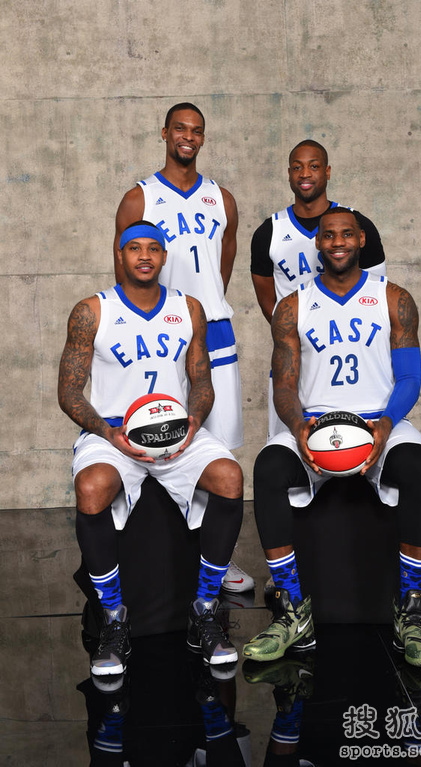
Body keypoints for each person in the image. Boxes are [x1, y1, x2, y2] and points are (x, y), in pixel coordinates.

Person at [243, 207, 421, 669]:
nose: (337, 243)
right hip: (317, 426)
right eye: (329, 235)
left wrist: (386, 425)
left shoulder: (393, 298)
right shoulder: (291, 306)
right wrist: (298, 427)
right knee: (268, 468)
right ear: (317, 243)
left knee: (415, 464)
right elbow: (284, 386)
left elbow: (409, 378)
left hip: (377, 421)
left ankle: (412, 610)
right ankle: (293, 610)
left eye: (347, 234)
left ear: (361, 240)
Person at [58, 221, 244, 675]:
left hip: (176, 430)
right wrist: (108, 433)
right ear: (120, 254)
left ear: (164, 256)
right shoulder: (92, 311)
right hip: (115, 432)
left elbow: (202, 380)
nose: (144, 256)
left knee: (230, 477)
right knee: (91, 488)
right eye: (134, 248)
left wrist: (194, 422)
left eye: (154, 249)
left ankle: (204, 610)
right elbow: (69, 391)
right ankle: (114, 617)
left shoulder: (189, 307)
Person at [114, 102, 253, 593]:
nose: (187, 137)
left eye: (196, 130)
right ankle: (166, 553)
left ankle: (217, 558)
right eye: (179, 129)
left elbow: (224, 262)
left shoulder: (222, 199)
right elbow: (126, 277)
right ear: (165, 133)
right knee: (163, 438)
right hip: (162, 336)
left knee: (217, 447)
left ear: (203, 138)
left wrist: (204, 306)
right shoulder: (140, 197)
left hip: (212, 329)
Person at [251, 139, 386, 439]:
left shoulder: (357, 225)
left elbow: (377, 298)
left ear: (327, 172)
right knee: (290, 446)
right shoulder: (268, 232)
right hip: (295, 357)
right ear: (289, 174)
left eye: (313, 166)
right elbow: (267, 301)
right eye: (297, 167)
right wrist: (297, 335)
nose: (305, 174)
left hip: (353, 356)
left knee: (358, 445)